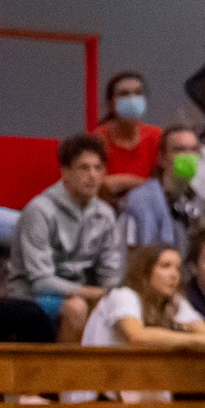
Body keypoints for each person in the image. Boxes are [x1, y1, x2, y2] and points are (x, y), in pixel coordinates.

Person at [6, 133, 126, 342]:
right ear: (65, 172)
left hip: (83, 293)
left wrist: (113, 295)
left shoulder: (105, 215)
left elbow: (111, 274)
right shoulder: (40, 211)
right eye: (84, 168)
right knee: (76, 308)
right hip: (30, 297)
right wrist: (90, 293)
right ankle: (66, 374)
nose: (92, 176)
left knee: (124, 305)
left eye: (98, 168)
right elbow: (41, 282)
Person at [82, 243, 205, 356]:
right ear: (146, 271)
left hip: (142, 388)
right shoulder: (123, 295)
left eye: (177, 268)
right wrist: (204, 340)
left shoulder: (174, 301)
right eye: (165, 266)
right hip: (99, 391)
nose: (174, 275)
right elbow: (137, 336)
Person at [119, 125, 205, 248]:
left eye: (193, 150)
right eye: (179, 150)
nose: (188, 156)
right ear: (161, 158)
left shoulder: (200, 201)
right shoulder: (140, 200)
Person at [94, 71, 162, 203]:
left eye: (138, 93)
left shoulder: (157, 136)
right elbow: (97, 186)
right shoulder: (96, 140)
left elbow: (163, 186)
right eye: (124, 94)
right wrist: (145, 184)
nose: (132, 99)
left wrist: (124, 181)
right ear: (110, 104)